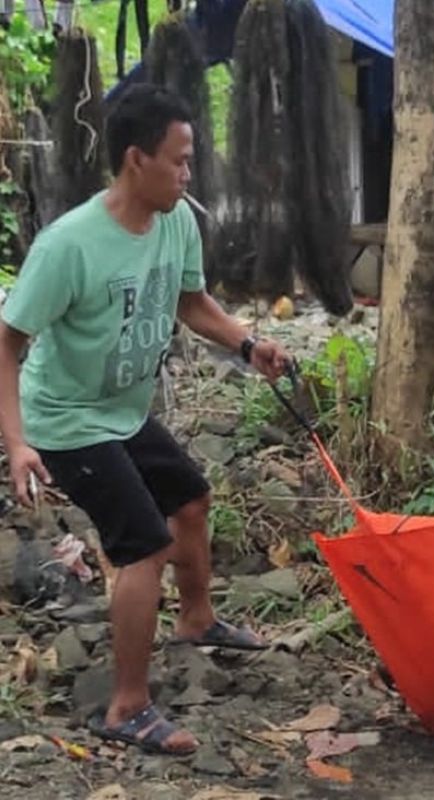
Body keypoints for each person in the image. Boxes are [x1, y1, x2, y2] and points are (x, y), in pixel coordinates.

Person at [0, 85, 291, 755]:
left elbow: (192, 302)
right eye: (179, 161)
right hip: (65, 419)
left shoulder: (175, 222)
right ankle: (126, 706)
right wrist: (17, 443)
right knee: (141, 544)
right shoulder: (69, 245)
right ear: (137, 159)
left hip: (122, 410)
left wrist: (248, 344)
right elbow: (8, 343)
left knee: (189, 500)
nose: (189, 175)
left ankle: (197, 620)